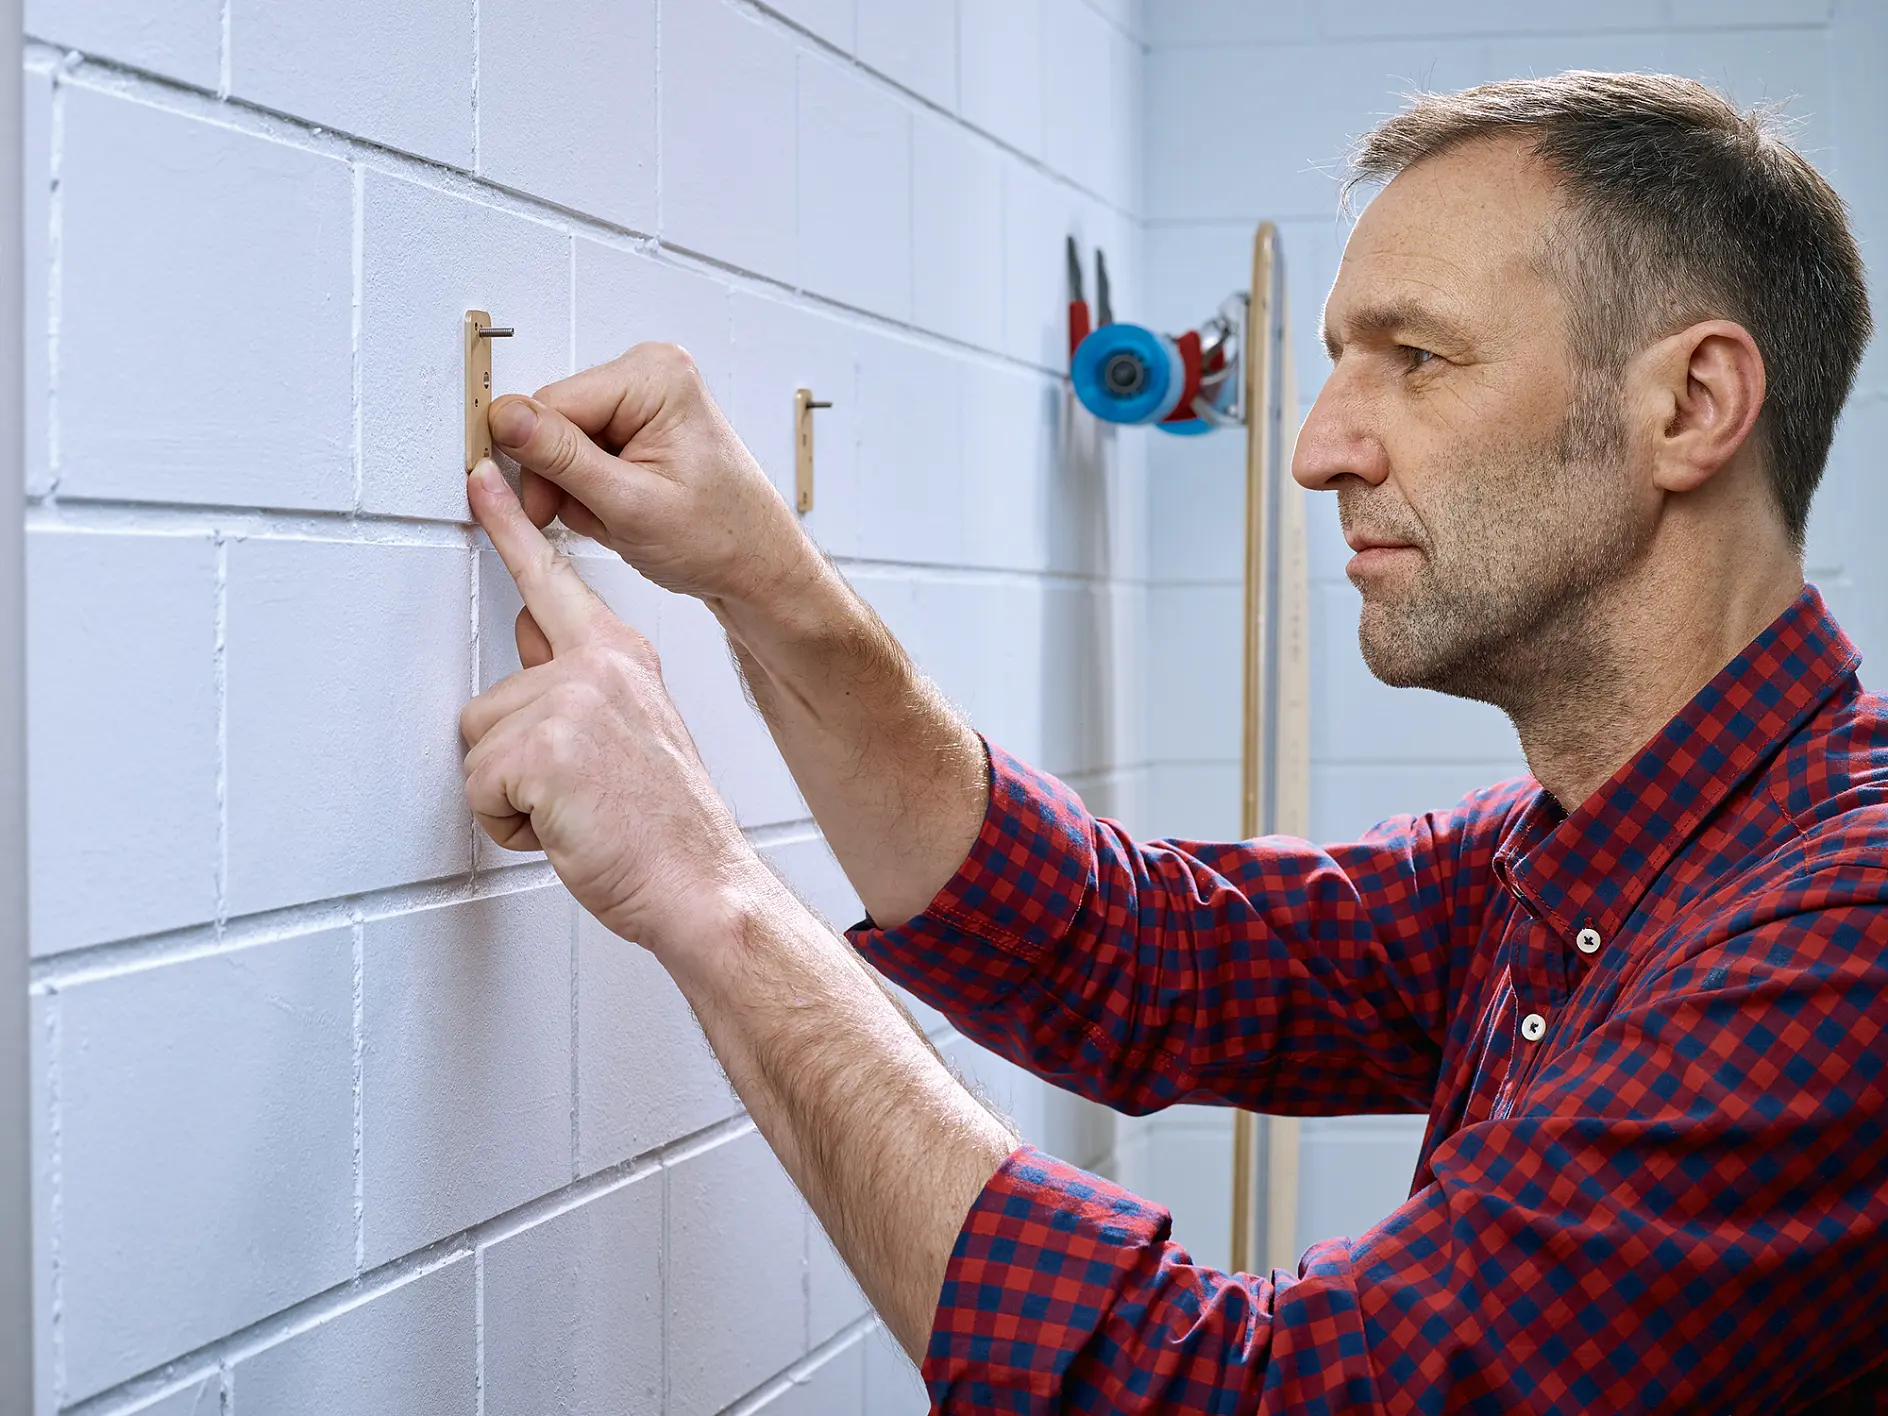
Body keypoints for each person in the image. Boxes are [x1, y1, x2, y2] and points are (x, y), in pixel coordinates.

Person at [455, 71, 1886, 1412]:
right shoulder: (1572, 856)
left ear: (1691, 407)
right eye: (1339, 362)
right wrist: (762, 579)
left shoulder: (1845, 932)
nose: (1322, 446)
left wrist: (707, 891)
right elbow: (1134, 954)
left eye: (1418, 357)